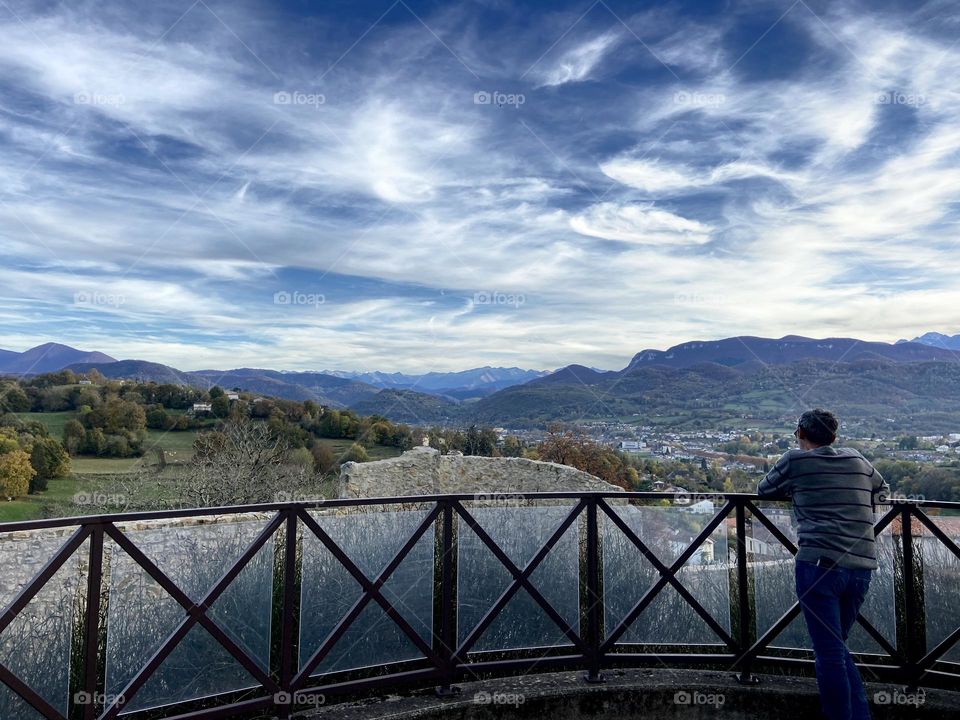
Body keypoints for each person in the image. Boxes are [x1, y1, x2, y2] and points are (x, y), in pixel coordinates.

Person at [757, 409, 889, 720]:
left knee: (829, 654)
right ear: (833, 436)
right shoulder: (857, 460)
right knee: (837, 649)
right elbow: (882, 491)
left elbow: (764, 489)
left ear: (801, 433)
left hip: (819, 566)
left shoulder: (795, 460)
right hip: (861, 568)